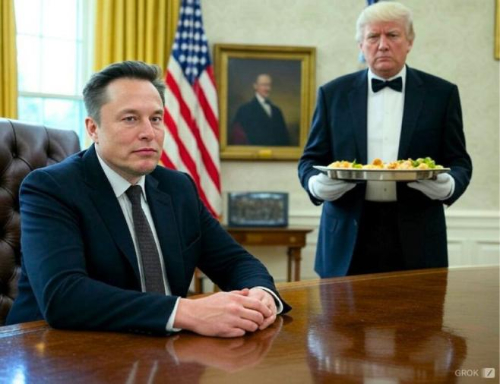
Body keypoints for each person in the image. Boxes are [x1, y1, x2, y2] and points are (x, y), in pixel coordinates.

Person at [6, 60, 290, 337]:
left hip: (160, 353)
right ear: (93, 129)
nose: (148, 133)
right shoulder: (51, 188)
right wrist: (188, 312)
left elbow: (234, 262)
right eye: (130, 119)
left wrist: (260, 295)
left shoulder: (177, 187)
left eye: (156, 118)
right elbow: (64, 296)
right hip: (56, 352)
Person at [298, 2, 472, 278]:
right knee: (339, 322)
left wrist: (448, 186)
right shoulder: (332, 94)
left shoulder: (442, 94)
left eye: (392, 35)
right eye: (372, 36)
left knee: (421, 322)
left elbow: (459, 161)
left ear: (409, 42)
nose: (382, 45)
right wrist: (317, 185)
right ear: (360, 45)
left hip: (418, 237)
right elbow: (310, 160)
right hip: (346, 235)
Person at [229, 73, 290, 146]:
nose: (268, 89)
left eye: (269, 85)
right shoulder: (244, 110)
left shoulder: (276, 111)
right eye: (264, 85)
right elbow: (238, 138)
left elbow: (284, 138)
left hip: (276, 155)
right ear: (255, 86)